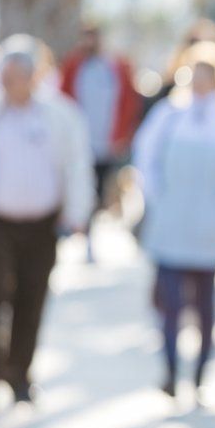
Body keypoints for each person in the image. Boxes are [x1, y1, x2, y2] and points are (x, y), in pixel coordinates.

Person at [133, 41, 215, 401]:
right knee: (170, 303)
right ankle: (171, 371)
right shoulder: (168, 116)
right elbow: (146, 158)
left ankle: (201, 372)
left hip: (209, 223)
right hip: (171, 220)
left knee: (205, 304)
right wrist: (158, 198)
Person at [0, 35, 95, 403]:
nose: (6, 82)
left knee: (30, 297)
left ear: (32, 77)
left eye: (14, 75)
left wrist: (77, 213)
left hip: (42, 223)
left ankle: (20, 373)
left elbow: (77, 166)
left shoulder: (59, 116)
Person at [60, 24, 141, 261]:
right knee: (86, 188)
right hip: (81, 143)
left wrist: (122, 135)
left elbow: (129, 102)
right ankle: (87, 238)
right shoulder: (74, 66)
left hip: (107, 142)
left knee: (104, 190)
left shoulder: (115, 67)